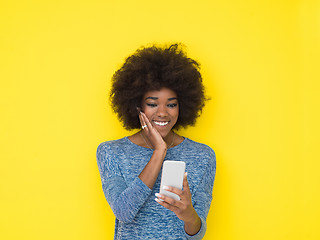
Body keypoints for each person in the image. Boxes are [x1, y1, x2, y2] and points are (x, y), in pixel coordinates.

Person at [96, 43, 216, 240]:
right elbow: (124, 212)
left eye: (171, 104)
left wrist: (189, 216)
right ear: (137, 106)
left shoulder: (203, 156)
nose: (162, 112)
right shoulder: (112, 152)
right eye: (152, 104)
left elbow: (197, 234)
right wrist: (159, 151)